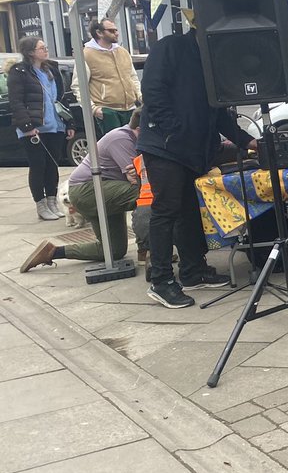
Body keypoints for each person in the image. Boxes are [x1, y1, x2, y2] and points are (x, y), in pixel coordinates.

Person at [139, 30, 258, 309]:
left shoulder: (213, 59)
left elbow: (218, 115)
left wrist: (249, 142)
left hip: (192, 150)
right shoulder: (171, 47)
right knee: (166, 211)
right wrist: (174, 131)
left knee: (190, 211)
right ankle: (161, 281)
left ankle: (192, 271)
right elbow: (153, 91)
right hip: (165, 146)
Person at [21, 110, 143, 272]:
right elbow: (138, 181)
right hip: (87, 191)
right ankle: (147, 249)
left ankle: (52, 251)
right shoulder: (122, 138)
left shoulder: (134, 139)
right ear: (141, 129)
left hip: (102, 190)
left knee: (114, 251)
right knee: (145, 194)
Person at [7, 36, 74, 221]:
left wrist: (69, 123)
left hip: (55, 125)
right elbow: (16, 101)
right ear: (30, 52)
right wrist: (27, 126)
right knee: (38, 166)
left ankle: (53, 201)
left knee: (53, 165)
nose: (46, 50)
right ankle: (41, 204)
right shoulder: (19, 72)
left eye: (45, 47)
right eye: (41, 48)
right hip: (34, 127)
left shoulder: (52, 68)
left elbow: (61, 97)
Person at [83, 18, 141, 135]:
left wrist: (139, 96)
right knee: (116, 146)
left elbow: (132, 77)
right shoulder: (87, 54)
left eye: (116, 30)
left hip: (130, 108)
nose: (116, 33)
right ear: (99, 33)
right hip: (108, 110)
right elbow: (79, 86)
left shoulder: (122, 52)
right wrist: (95, 109)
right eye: (111, 30)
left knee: (134, 146)